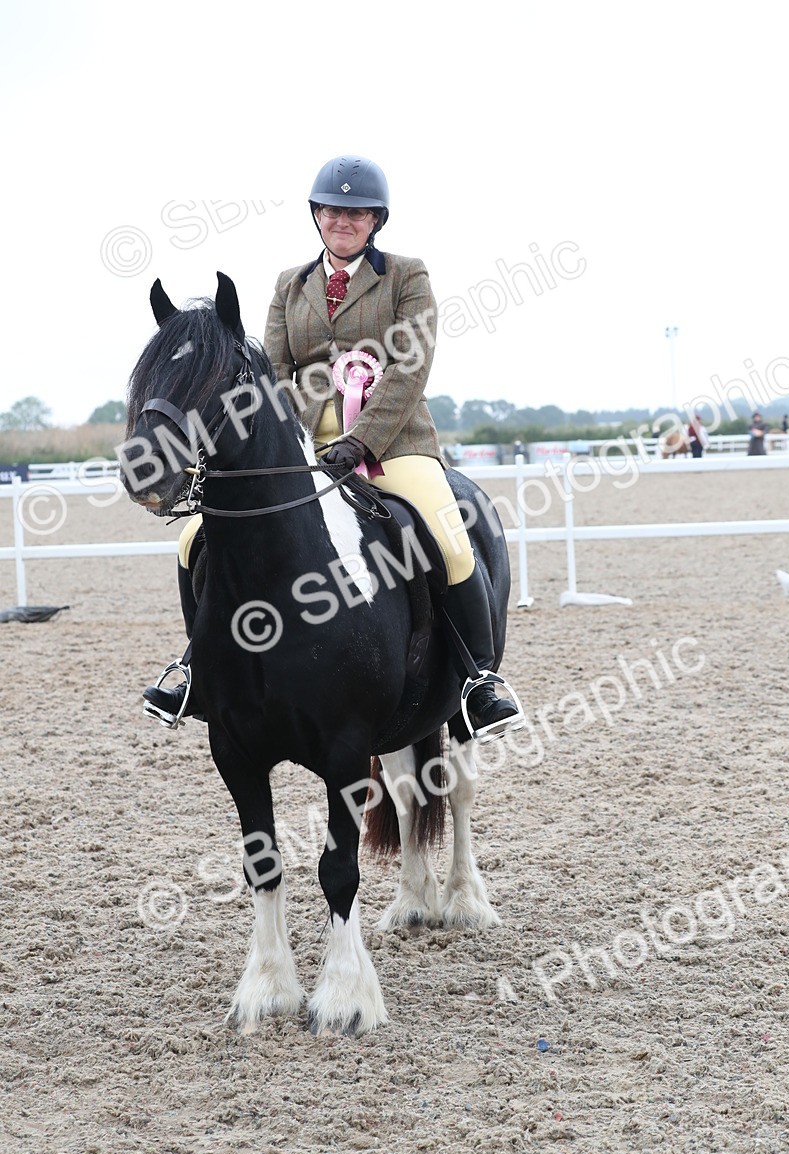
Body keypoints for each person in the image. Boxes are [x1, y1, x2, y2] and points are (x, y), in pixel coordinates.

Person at [144, 155, 522, 739]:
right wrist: (288, 443)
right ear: (316, 215)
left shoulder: (407, 276)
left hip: (395, 444)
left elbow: (410, 367)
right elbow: (273, 374)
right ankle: (199, 668)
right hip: (303, 447)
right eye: (331, 211)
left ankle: (479, 681)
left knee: (447, 537)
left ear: (376, 221)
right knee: (196, 538)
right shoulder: (289, 285)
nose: (342, 221)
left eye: (357, 213)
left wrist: (361, 440)